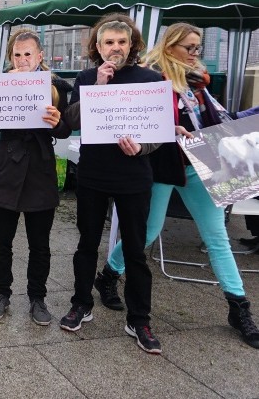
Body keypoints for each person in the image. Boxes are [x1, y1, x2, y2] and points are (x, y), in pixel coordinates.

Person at [94, 22, 259, 348]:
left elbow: (217, 119)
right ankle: (108, 276)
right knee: (148, 232)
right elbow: (135, 118)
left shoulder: (197, 80)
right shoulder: (152, 77)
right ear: (171, 47)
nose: (196, 54)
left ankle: (239, 308)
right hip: (162, 164)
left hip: (202, 160)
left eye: (198, 47)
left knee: (217, 237)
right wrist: (168, 130)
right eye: (190, 47)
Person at [59, 13, 164, 354]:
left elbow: (159, 133)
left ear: (132, 45)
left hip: (133, 175)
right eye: (109, 42)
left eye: (122, 42)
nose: (115, 48)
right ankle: (81, 303)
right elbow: (72, 121)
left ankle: (139, 319)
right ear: (98, 47)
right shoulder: (88, 77)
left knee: (134, 250)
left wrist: (143, 147)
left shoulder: (150, 79)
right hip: (93, 173)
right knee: (87, 243)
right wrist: (98, 87)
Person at [0, 29, 72, 326]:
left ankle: (38, 297)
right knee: (2, 241)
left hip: (39, 169)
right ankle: (1, 294)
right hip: (7, 167)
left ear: (40, 56)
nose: (23, 60)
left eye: (28, 54)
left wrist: (57, 122)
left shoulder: (56, 87)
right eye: (17, 54)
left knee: (40, 243)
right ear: (11, 56)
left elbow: (64, 131)